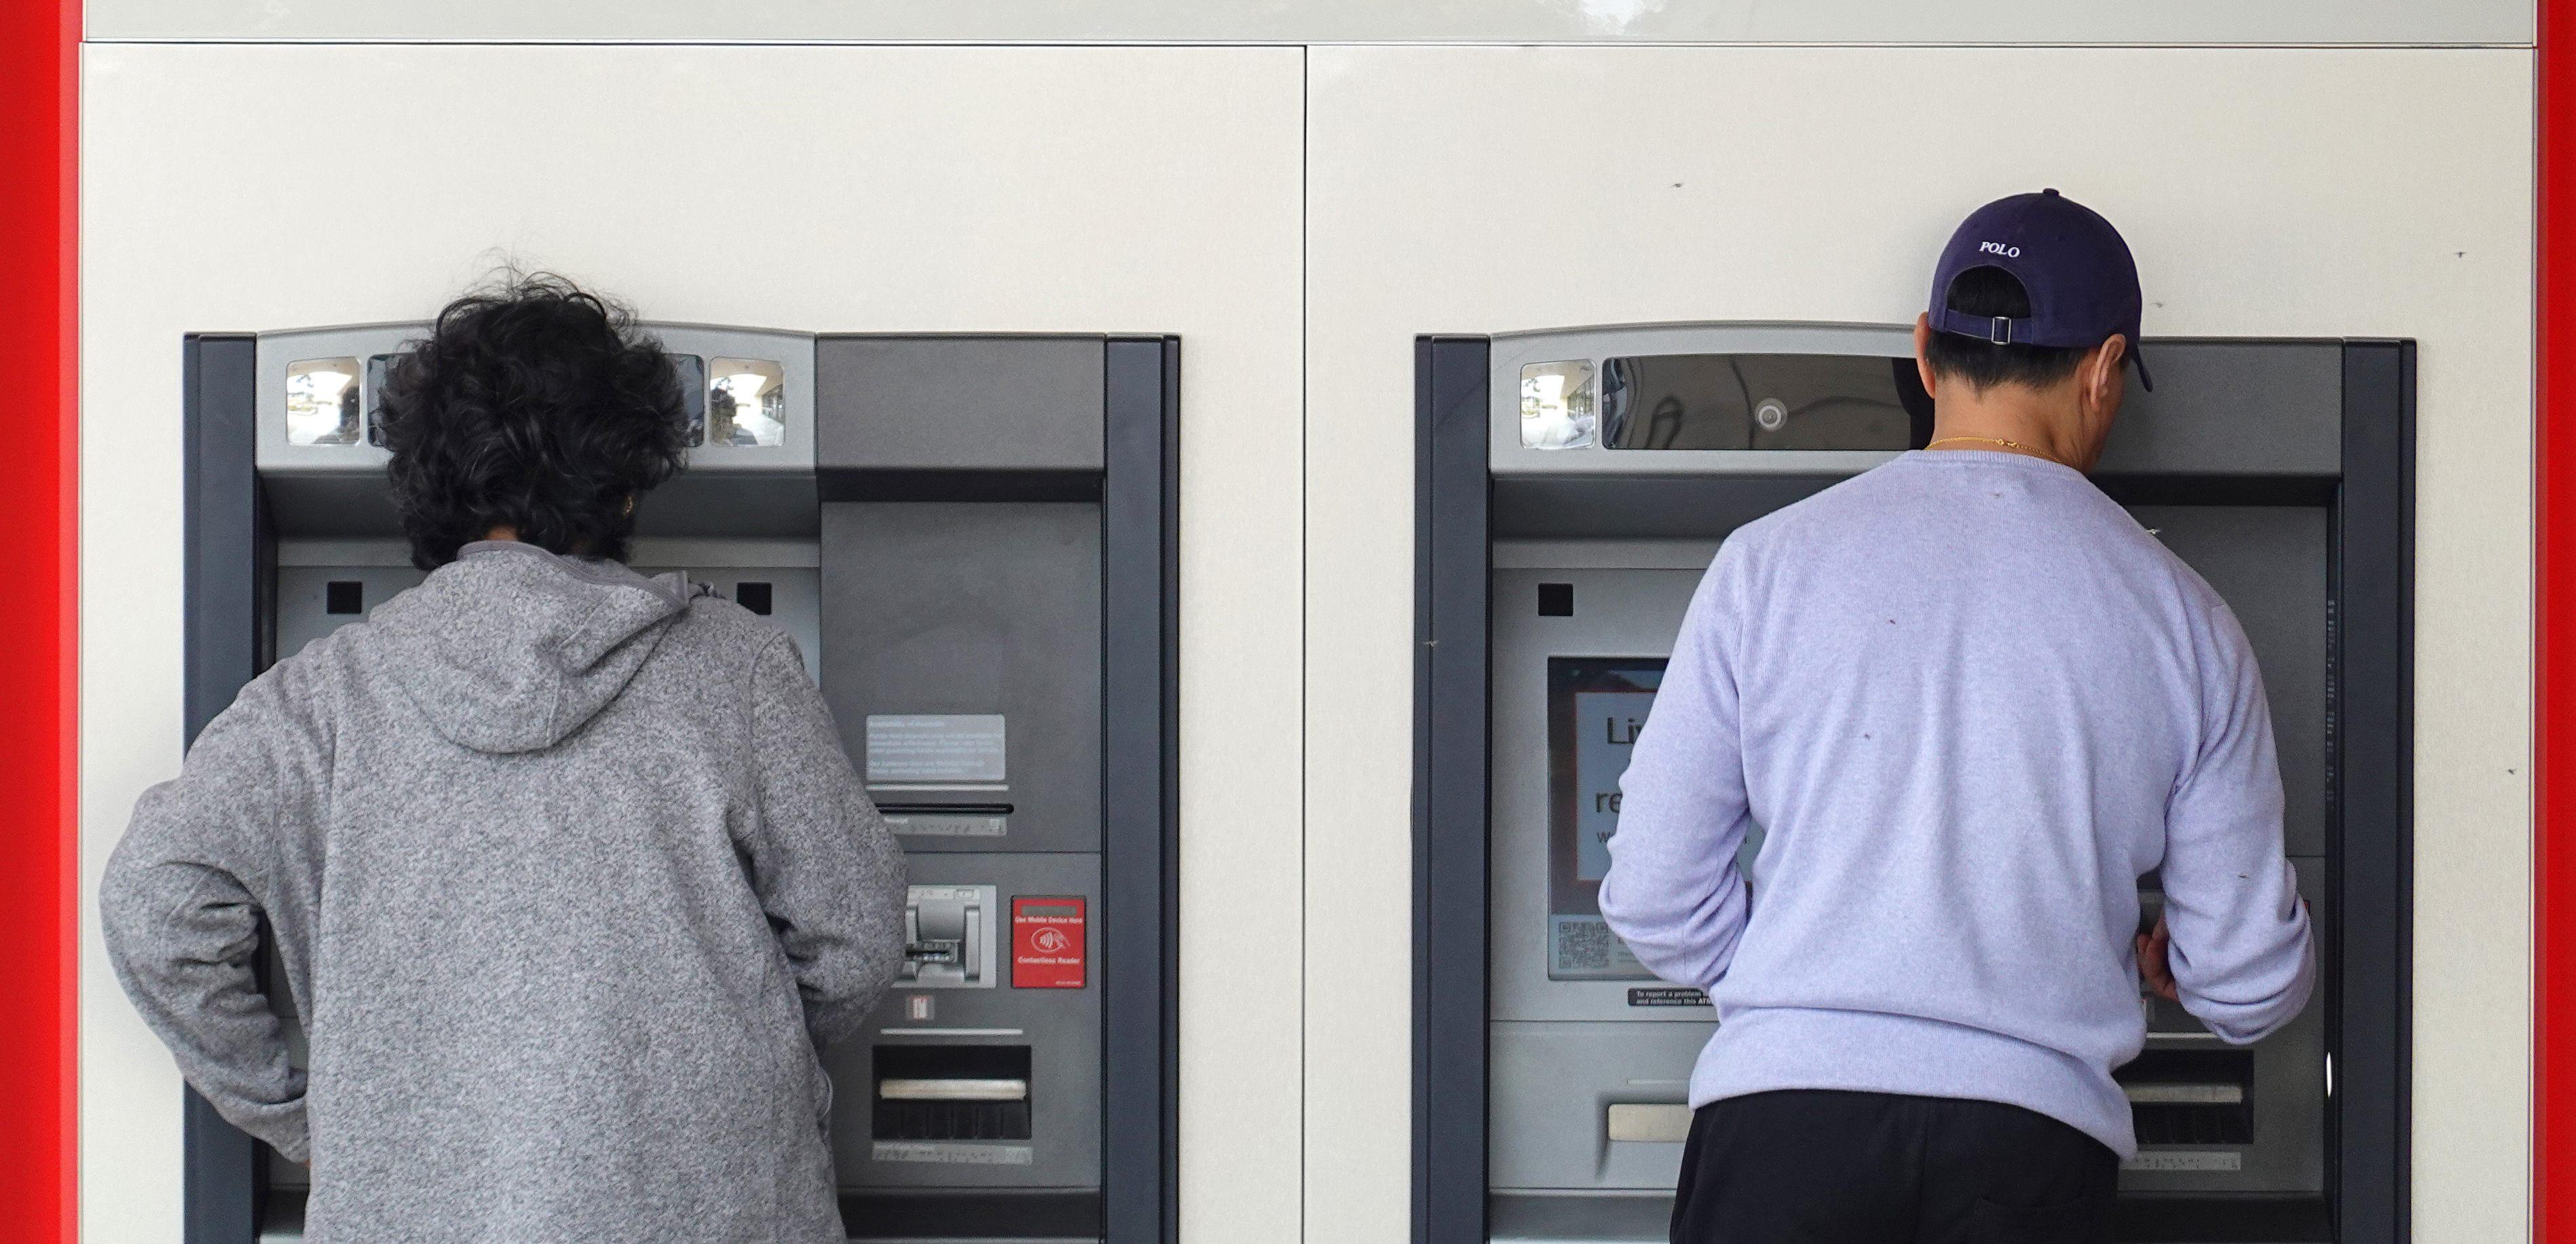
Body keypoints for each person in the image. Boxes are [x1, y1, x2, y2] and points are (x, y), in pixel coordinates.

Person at [102, 274, 907, 1241]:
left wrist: (308, 1113)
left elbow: (156, 904)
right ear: (622, 481)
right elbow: (856, 936)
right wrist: (726, 1064)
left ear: (424, 480)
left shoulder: (320, 700)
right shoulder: (734, 670)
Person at [1598, 191, 2315, 1243]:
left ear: (1926, 351)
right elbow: (2250, 984)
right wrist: (2181, 962)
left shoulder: (1770, 565)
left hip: (1776, 1139)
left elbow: (1655, 897)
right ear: (2106, 367)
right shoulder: (2186, 619)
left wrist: (1804, 982)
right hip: (2027, 1160)